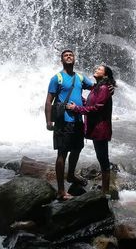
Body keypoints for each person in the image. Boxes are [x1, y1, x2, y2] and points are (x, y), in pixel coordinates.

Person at [45, 49, 94, 201]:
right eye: (65, 55)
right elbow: (48, 101)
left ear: (74, 59)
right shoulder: (57, 78)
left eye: (71, 55)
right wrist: (48, 120)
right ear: (62, 60)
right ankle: (61, 191)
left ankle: (71, 175)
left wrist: (108, 85)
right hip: (63, 121)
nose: (68, 57)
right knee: (62, 153)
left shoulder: (80, 77)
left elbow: (94, 88)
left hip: (78, 120)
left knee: (77, 148)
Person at [66, 64, 116, 196]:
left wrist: (76, 109)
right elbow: (90, 103)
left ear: (105, 75)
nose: (96, 69)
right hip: (96, 128)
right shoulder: (97, 88)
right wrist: (77, 99)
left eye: (99, 69)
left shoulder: (104, 88)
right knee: (101, 157)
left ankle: (106, 192)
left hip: (100, 129)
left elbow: (96, 108)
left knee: (103, 159)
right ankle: (105, 190)